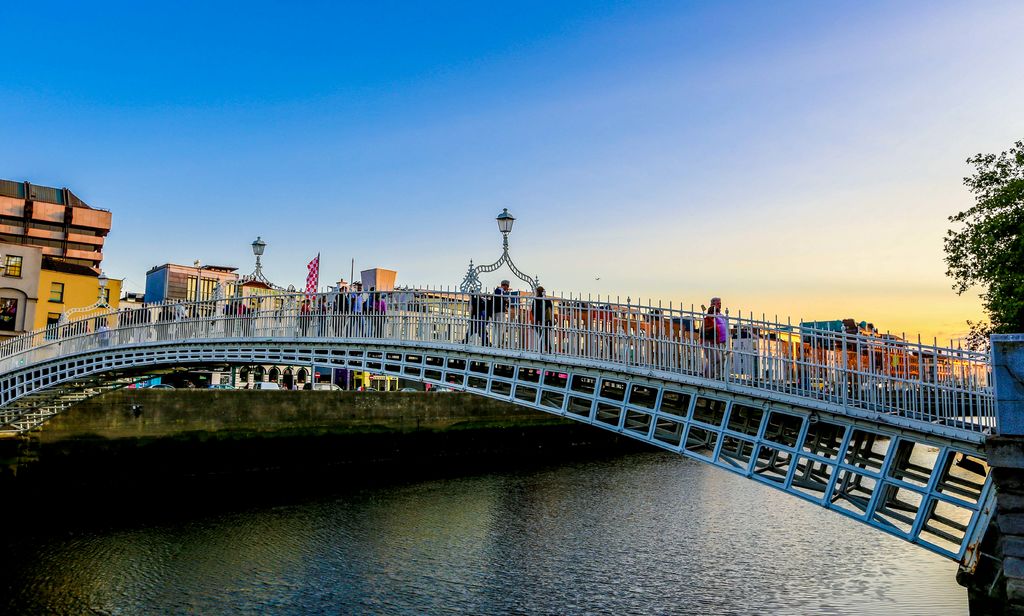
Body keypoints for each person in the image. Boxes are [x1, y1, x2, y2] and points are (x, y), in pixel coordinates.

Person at [702, 297, 728, 377]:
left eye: (720, 303)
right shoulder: (711, 315)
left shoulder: (721, 315)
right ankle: (709, 375)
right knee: (714, 359)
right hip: (715, 340)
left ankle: (720, 375)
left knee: (722, 359)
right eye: (718, 303)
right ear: (713, 305)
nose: (720, 305)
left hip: (723, 340)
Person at [489, 280, 511, 347]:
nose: (507, 288)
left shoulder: (497, 291)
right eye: (507, 286)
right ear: (505, 286)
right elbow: (500, 302)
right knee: (500, 328)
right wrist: (506, 301)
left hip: (496, 312)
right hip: (500, 312)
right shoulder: (500, 292)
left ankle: (496, 343)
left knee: (496, 328)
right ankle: (498, 343)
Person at [532, 286, 555, 352]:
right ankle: (548, 349)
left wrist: (536, 320)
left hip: (540, 321)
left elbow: (534, 311)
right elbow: (551, 310)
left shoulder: (536, 300)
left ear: (538, 292)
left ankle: (542, 349)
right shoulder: (548, 301)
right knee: (546, 336)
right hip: (548, 321)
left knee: (541, 336)